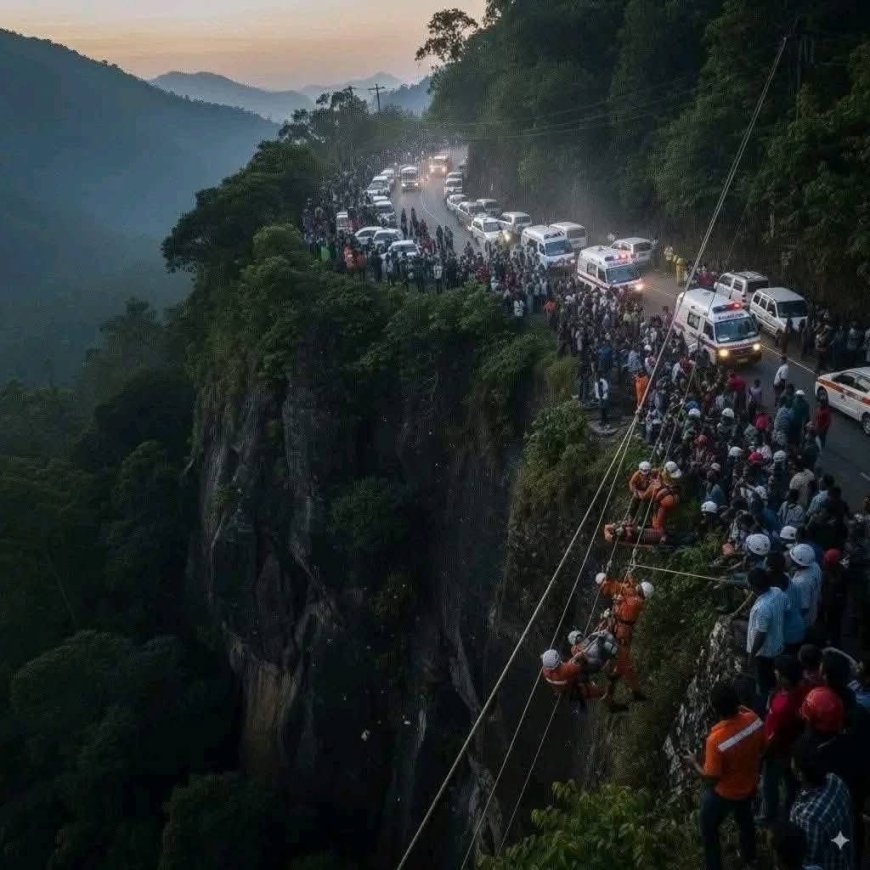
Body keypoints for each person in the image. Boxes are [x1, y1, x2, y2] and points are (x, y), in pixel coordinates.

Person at [684, 681, 765, 870]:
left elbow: (711, 778)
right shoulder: (753, 719)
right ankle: (750, 858)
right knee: (746, 821)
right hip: (749, 784)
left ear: (715, 709)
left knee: (708, 829)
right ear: (737, 703)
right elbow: (763, 747)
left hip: (725, 794)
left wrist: (695, 763)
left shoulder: (716, 741)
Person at [789, 736, 854, 870]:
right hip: (845, 857)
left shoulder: (808, 817)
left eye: (792, 760)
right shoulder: (835, 780)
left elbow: (808, 860)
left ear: (800, 774)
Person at [760, 655, 807, 826]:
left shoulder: (782, 707)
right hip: (793, 745)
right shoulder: (801, 691)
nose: (775, 673)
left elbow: (774, 738)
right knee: (790, 780)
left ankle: (768, 816)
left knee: (768, 785)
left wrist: (763, 756)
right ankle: (790, 806)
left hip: (777, 752)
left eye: (777, 672)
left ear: (785, 677)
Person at [594, 573, 653, 704]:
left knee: (624, 664)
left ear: (641, 591)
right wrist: (631, 578)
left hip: (621, 632)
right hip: (620, 629)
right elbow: (630, 589)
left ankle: (617, 683)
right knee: (620, 662)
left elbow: (626, 592)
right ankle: (618, 681)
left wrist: (620, 585)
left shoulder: (634, 601)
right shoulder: (637, 599)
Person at [746, 567, 788, 702]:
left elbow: (761, 634)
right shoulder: (778, 592)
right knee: (774, 676)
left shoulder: (762, 608)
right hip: (778, 642)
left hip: (765, 652)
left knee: (765, 682)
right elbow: (786, 607)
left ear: (754, 587)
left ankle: (766, 702)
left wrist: (752, 655)